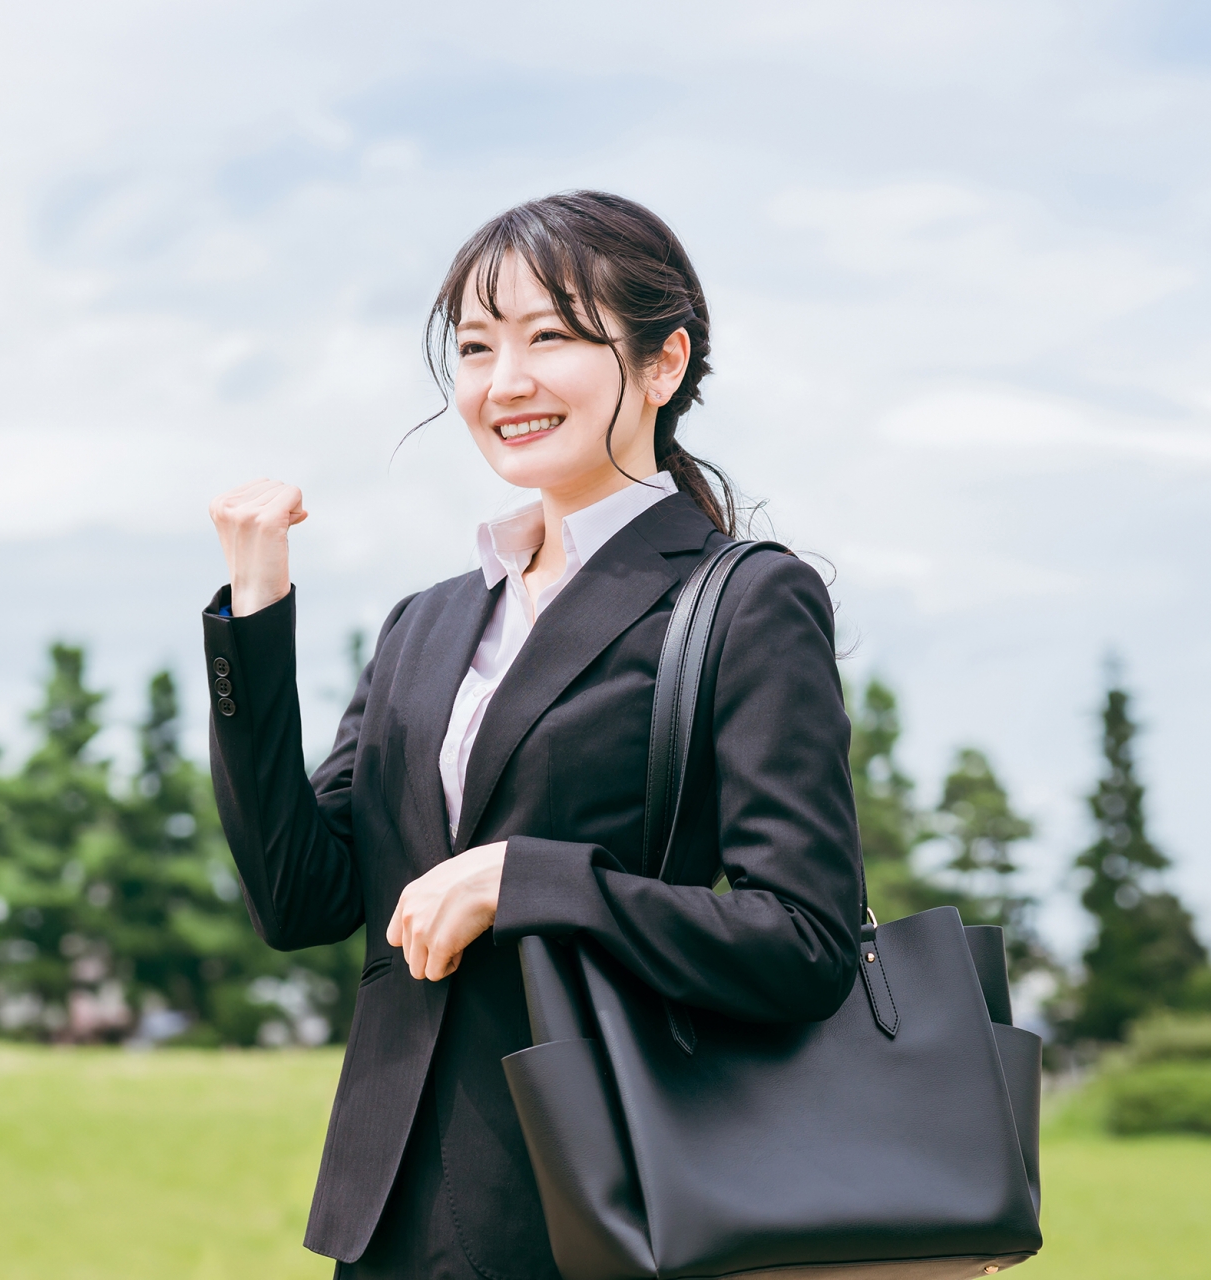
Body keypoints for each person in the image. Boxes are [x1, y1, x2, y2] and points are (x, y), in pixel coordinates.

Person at [202, 192, 863, 1279]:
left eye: (550, 335)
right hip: (397, 1215)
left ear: (662, 362)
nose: (504, 380)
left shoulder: (744, 600)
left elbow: (802, 940)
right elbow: (299, 895)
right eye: (475, 345)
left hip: (611, 1207)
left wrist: (532, 879)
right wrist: (255, 612)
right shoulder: (428, 623)